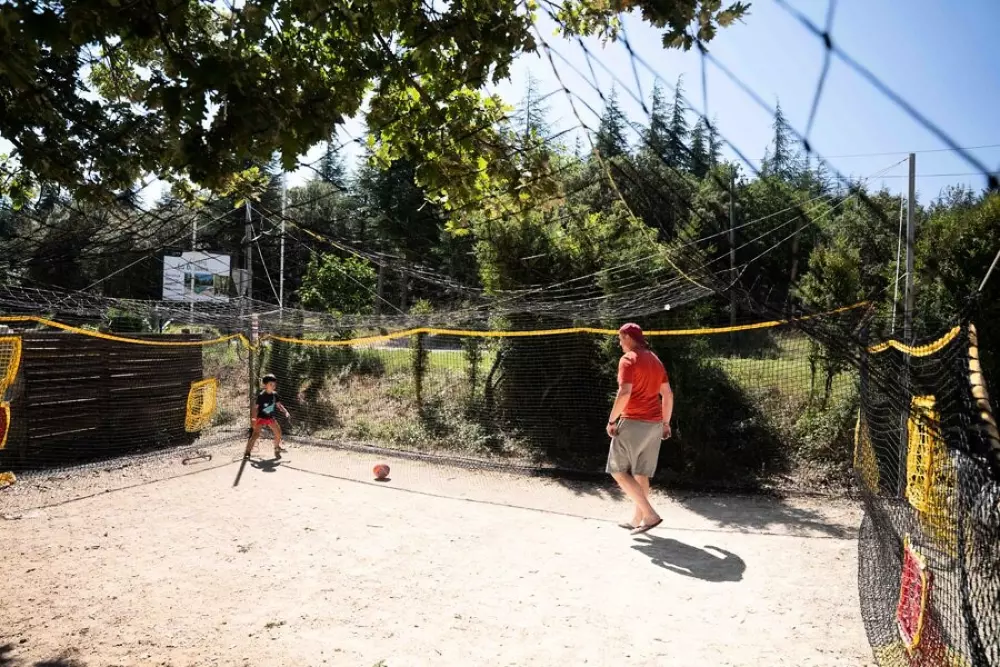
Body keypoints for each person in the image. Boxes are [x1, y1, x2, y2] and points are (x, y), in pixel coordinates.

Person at [605, 323, 673, 535]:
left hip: (633, 422)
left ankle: (650, 515)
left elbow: (624, 392)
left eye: (620, 338)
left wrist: (612, 420)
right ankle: (637, 519)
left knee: (617, 470)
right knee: (641, 473)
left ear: (627, 337)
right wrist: (665, 423)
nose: (619, 343)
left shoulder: (628, 359)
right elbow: (668, 394)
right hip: (654, 425)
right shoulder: (655, 359)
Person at [244, 374, 291, 460]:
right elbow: (255, 408)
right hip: (261, 418)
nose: (273, 386)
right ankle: (247, 452)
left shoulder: (275, 395)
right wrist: (253, 420)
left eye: (274, 384)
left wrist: (285, 411)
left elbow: (279, 405)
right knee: (255, 435)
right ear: (265, 385)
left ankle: (277, 447)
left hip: (270, 418)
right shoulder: (261, 395)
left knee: (278, 433)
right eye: (271, 384)